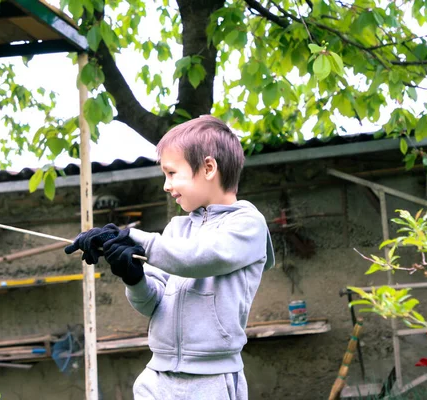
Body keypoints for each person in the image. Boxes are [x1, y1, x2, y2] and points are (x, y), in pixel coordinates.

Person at [65, 115, 275, 400]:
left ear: (208, 168)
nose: (166, 184)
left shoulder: (247, 224)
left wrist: (134, 237)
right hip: (157, 377)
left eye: (172, 173)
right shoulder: (177, 229)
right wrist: (134, 277)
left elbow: (198, 259)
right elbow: (153, 304)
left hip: (210, 381)